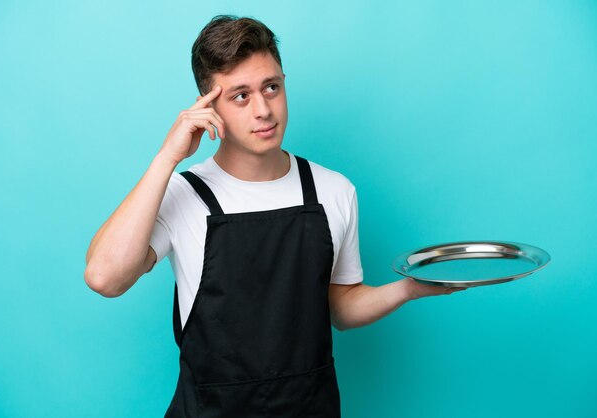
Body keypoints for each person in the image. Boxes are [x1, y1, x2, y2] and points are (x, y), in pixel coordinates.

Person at [84, 15, 466, 417]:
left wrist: (409, 289)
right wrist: (167, 158)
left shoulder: (333, 190)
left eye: (271, 87)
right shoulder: (183, 194)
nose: (264, 110)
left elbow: (342, 308)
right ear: (207, 106)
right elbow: (105, 278)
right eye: (240, 96)